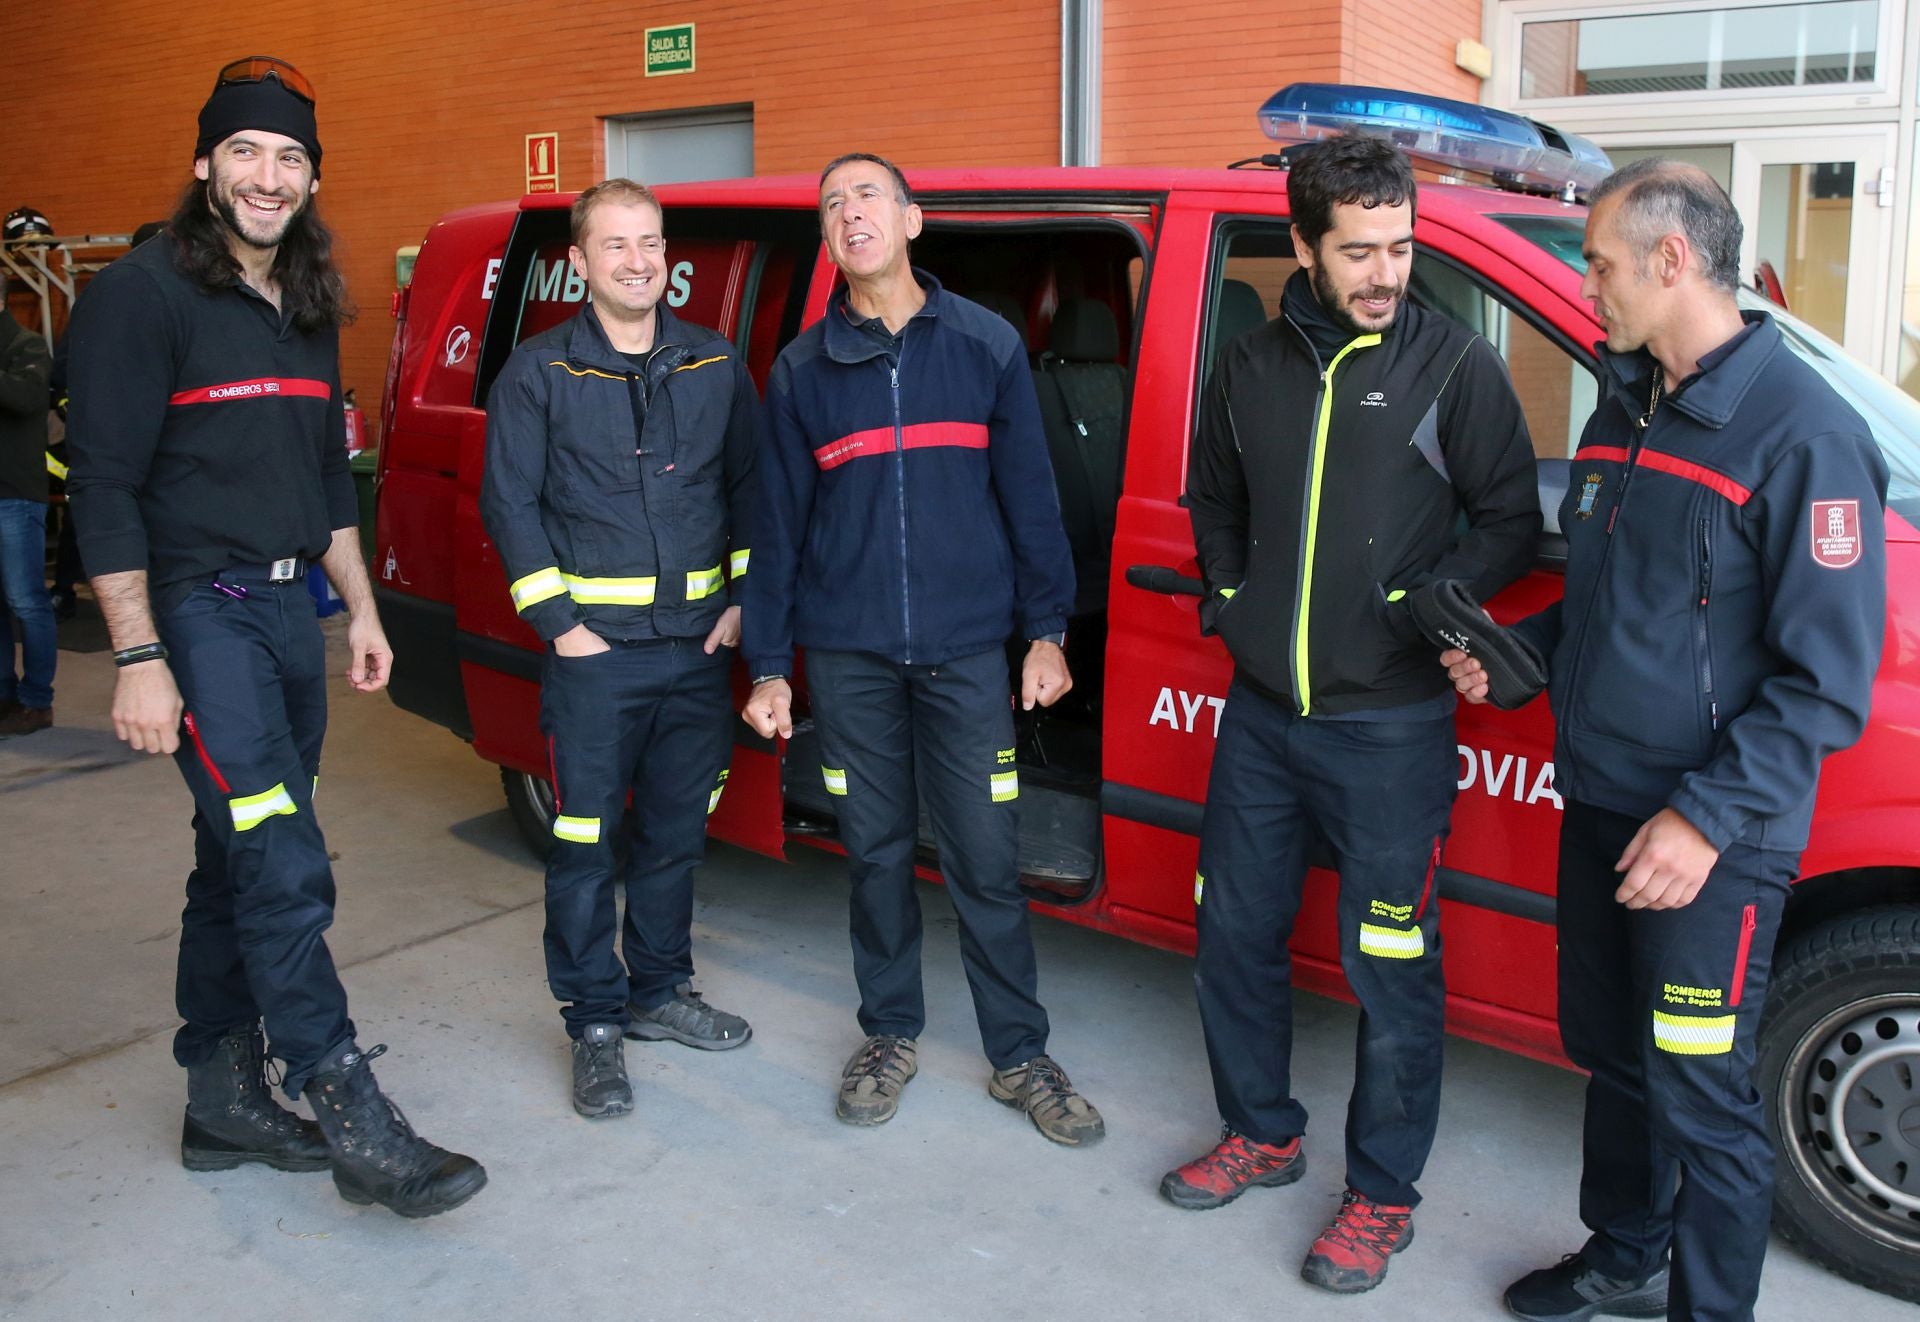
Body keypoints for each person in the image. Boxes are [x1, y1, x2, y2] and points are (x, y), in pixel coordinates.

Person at [1443, 160, 1888, 1322]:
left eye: (1596, 262)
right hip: (1601, 805)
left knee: (1702, 1088)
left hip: (1708, 840)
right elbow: (1607, 605)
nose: (1588, 285)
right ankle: (1622, 1252)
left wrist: (1704, 818)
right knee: (1614, 1054)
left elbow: (1824, 681)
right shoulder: (1625, 406)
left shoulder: (1803, 437)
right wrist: (1511, 654)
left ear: (1672, 259)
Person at [64, 55, 485, 1218]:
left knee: (234, 857)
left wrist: (358, 601)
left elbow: (320, 478)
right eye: (244, 151)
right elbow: (100, 486)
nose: (267, 174)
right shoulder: (137, 298)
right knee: (284, 855)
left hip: (289, 615)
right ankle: (348, 1102)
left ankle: (220, 1097)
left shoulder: (304, 302)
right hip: (199, 617)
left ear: (310, 177)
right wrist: (140, 657)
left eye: (290, 156)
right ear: (205, 164)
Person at [1169, 132, 1541, 1293]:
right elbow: (1214, 500)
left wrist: (1425, 602)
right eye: (1360, 251)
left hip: (1390, 726)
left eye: (1401, 247)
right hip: (1266, 716)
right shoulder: (1251, 365)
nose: (1386, 272)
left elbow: (1508, 517)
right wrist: (1232, 598)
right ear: (1304, 247)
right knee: (1231, 933)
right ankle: (1263, 1130)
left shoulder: (1454, 366)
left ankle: (1381, 1195)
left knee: (1389, 963)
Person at [742, 152, 1103, 1145]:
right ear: (829, 238)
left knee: (987, 855)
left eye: (865, 196)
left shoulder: (983, 346)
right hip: (850, 655)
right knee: (874, 851)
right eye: (831, 205)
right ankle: (889, 1030)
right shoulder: (805, 372)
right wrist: (770, 663)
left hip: (965, 654)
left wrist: (1045, 632)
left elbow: (1033, 500)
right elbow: (776, 527)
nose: (848, 214)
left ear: (910, 219)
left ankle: (1018, 1051)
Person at [482, 178, 761, 1118]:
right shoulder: (539, 373)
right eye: (616, 246)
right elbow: (510, 507)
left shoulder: (715, 362)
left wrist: (741, 604)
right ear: (580, 264)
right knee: (584, 846)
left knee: (676, 838)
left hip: (696, 651)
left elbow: (755, 490)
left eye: (651, 243)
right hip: (596, 665)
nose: (638, 261)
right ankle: (595, 1024)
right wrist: (563, 628)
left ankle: (658, 993)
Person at [0, 308, 56, 736]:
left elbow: (25, 398)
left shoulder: (28, 346)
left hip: (16, 496)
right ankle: (4, 695)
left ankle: (37, 701)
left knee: (26, 602)